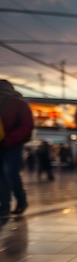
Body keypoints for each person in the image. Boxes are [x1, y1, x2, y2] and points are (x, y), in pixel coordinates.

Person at [0, 79, 34, 217]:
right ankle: (4, 206)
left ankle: (21, 201)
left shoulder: (19, 104)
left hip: (12, 145)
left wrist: (9, 139)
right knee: (1, 176)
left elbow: (26, 126)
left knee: (10, 174)